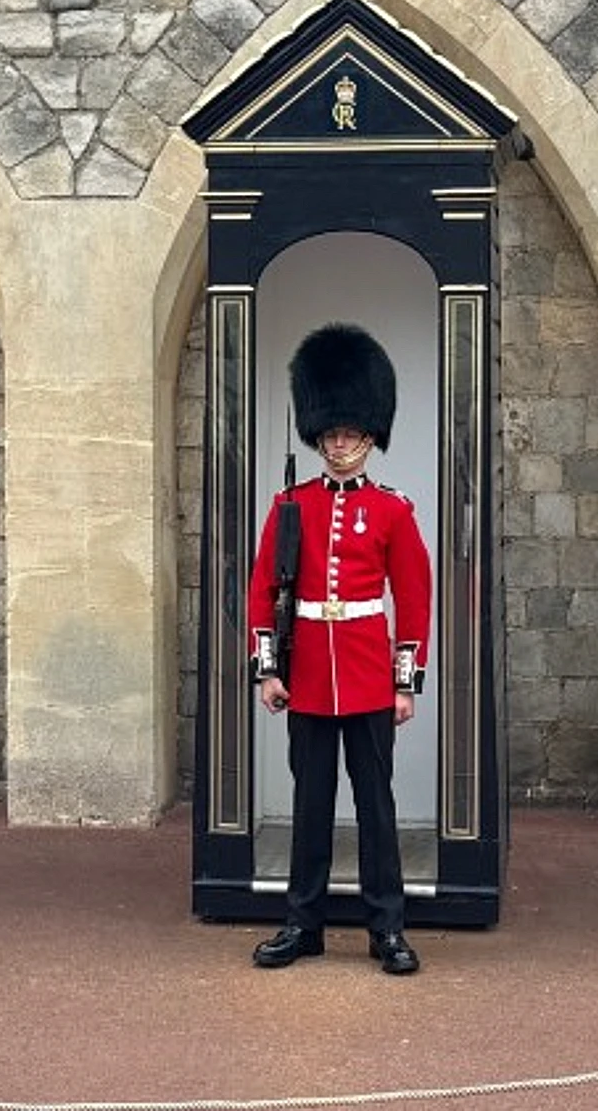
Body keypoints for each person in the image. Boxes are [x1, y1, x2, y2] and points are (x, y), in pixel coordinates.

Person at [247, 322, 432, 975]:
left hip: (367, 678)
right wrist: (268, 672)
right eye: (330, 433)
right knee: (310, 807)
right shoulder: (290, 506)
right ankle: (304, 922)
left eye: (349, 433)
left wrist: (405, 682)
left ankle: (388, 928)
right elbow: (263, 589)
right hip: (307, 680)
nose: (340, 443)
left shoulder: (391, 511)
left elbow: (412, 601)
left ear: (369, 434)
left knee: (376, 809)